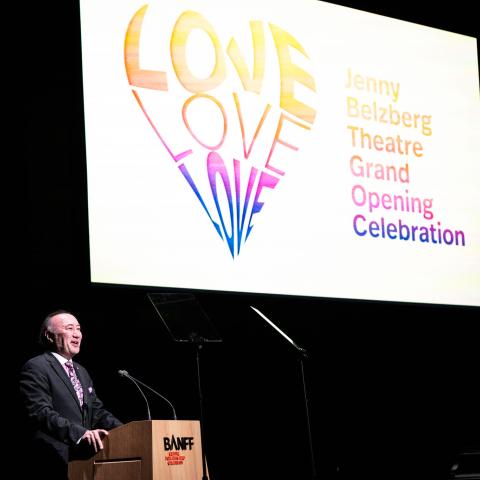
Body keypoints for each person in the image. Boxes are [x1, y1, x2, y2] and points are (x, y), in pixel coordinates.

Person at [19, 310, 123, 479]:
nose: (77, 334)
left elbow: (97, 412)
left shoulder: (81, 371)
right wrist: (80, 433)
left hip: (85, 460)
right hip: (52, 459)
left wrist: (126, 430)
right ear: (49, 336)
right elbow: (40, 412)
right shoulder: (36, 367)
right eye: (69, 328)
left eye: (78, 328)